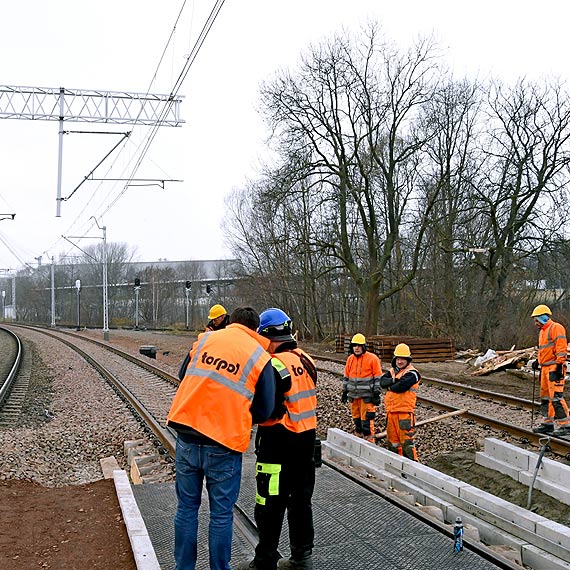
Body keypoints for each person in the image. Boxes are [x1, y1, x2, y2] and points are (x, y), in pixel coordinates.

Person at [166, 306, 277, 570]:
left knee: (186, 508)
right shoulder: (259, 356)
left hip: (187, 434)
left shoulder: (205, 339)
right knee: (221, 515)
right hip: (224, 443)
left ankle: (183, 567)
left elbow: (184, 376)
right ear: (255, 329)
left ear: (230, 322)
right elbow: (265, 409)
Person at [238, 308, 318, 570]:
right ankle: (301, 555)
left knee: (269, 504)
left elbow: (267, 408)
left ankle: (264, 560)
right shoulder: (306, 360)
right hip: (306, 441)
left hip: (277, 443)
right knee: (300, 501)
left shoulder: (272, 365)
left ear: (268, 336)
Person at [530, 304, 570, 436]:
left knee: (556, 398)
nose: (535, 323)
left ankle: (566, 425)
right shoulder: (543, 331)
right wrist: (538, 361)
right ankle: (547, 423)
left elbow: (561, 348)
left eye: (536, 320)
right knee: (546, 398)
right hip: (545, 368)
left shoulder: (556, 328)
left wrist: (559, 365)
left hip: (554, 368)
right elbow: (545, 350)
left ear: (543, 318)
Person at [379, 343, 421, 461]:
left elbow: (400, 386)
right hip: (391, 413)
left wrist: (390, 385)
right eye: (398, 358)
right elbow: (382, 382)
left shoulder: (413, 373)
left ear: (408, 360)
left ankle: (414, 469)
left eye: (402, 359)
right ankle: (396, 467)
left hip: (404, 414)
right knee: (393, 444)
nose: (400, 361)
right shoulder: (393, 371)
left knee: (407, 444)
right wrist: (394, 380)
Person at [341, 333, 383, 442]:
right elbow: (346, 377)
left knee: (367, 424)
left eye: (359, 346)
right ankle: (359, 444)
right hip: (353, 397)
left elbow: (378, 378)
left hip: (367, 397)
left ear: (364, 347)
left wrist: (376, 393)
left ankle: (370, 446)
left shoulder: (372, 358)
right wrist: (344, 392)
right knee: (357, 423)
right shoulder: (350, 359)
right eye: (355, 345)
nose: (357, 348)